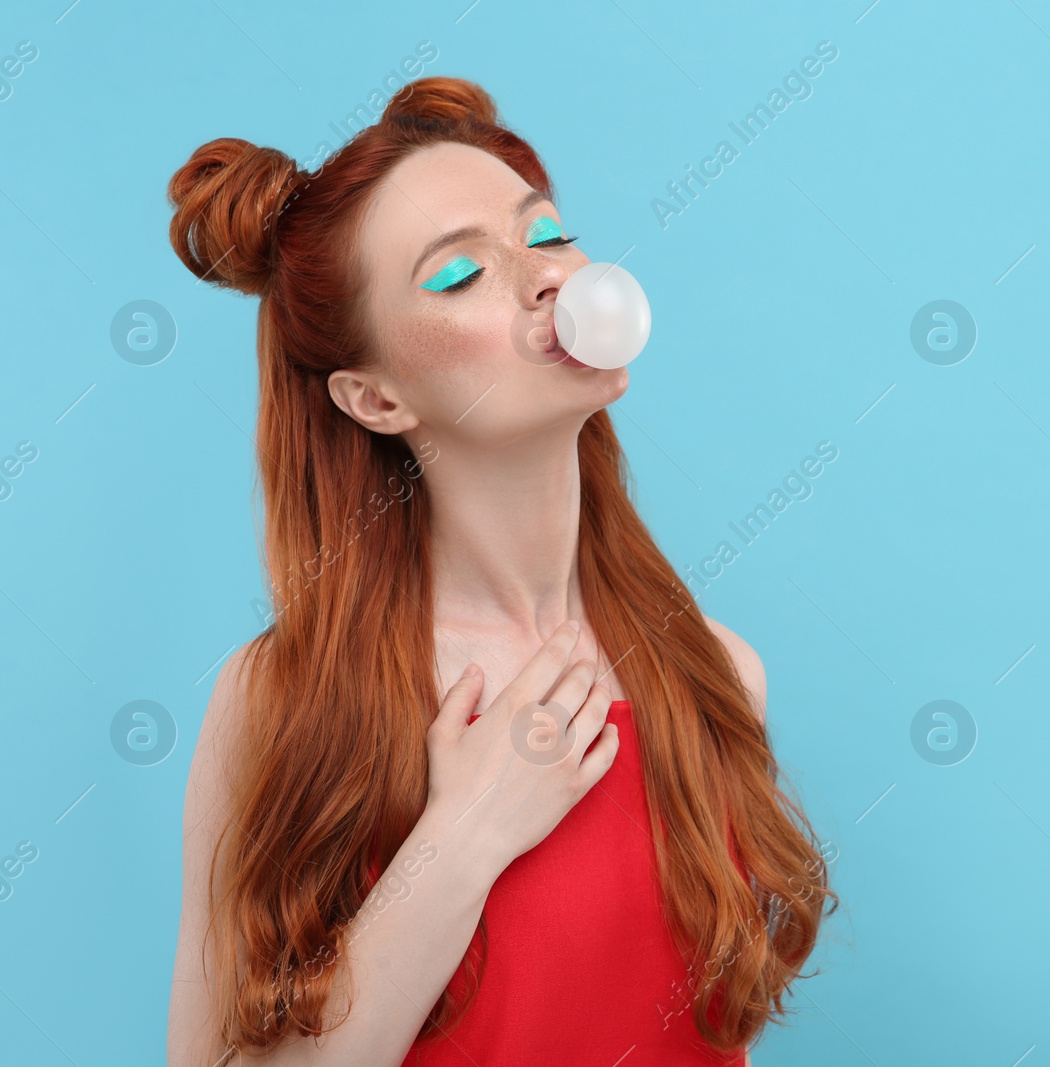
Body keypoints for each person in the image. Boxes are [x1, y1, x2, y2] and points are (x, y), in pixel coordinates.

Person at [163, 76, 835, 1066]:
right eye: (456, 275)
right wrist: (465, 833)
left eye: (548, 233)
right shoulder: (283, 700)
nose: (548, 278)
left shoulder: (716, 676)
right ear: (373, 396)